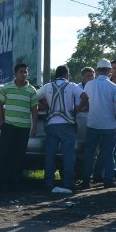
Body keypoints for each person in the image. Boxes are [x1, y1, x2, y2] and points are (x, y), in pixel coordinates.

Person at [79, 59, 116, 189]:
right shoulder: (113, 87)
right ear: (109, 71)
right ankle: (108, 180)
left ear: (97, 71)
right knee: (108, 154)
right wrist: (114, 119)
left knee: (89, 154)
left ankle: (86, 180)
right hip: (109, 126)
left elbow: (84, 102)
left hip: (92, 124)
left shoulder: (89, 85)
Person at [38, 65, 83, 193]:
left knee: (50, 155)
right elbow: (85, 96)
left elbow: (35, 97)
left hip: (51, 124)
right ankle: (68, 183)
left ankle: (48, 182)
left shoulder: (47, 87)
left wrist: (45, 105)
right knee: (68, 155)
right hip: (67, 124)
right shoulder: (72, 86)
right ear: (66, 74)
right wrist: (77, 111)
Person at [0, 63, 39, 189]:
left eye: (25, 72)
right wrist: (2, 118)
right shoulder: (7, 87)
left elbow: (34, 110)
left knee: (19, 156)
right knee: (6, 154)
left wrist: (34, 127)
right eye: (21, 72)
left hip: (24, 127)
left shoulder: (31, 90)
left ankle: (16, 182)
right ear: (15, 73)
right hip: (8, 126)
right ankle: (4, 182)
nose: (23, 74)